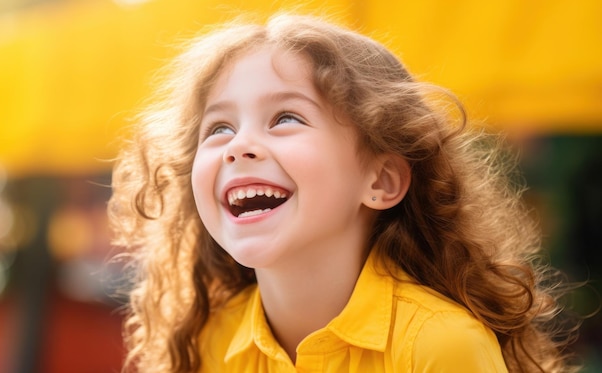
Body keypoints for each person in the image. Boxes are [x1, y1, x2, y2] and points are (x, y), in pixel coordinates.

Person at [108, 13, 577, 372]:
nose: (239, 146)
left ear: (381, 181)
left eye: (285, 118)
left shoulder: (439, 345)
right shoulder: (210, 339)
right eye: (219, 127)